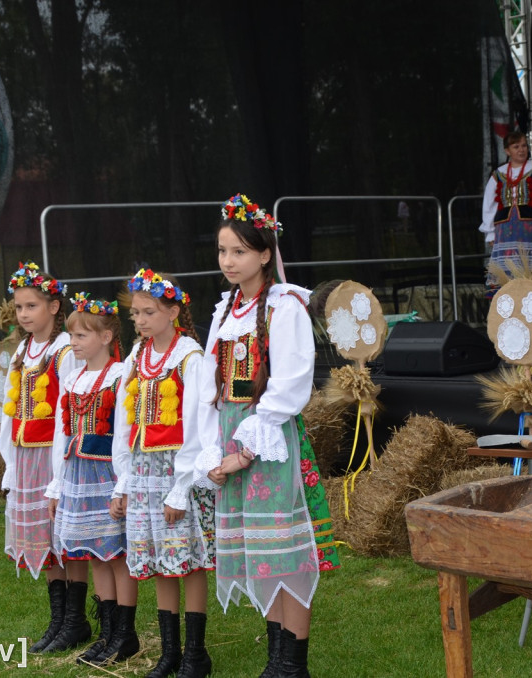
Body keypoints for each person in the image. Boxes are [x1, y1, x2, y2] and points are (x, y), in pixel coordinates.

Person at [195, 194, 340, 678]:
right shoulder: (224, 311)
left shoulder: (285, 306)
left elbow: (291, 385)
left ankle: (292, 665)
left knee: (284, 554)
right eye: (222, 251)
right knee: (260, 553)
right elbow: (209, 387)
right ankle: (277, 661)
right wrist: (214, 447)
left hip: (269, 439)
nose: (228, 261)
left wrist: (246, 446)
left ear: (263, 254)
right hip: (232, 431)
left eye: (238, 251)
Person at [112, 270, 214, 678]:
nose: (138, 320)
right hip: (142, 471)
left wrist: (181, 488)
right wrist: (123, 479)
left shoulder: (190, 357)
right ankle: (169, 652)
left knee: (185, 559)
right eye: (135, 313)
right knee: (158, 559)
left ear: (173, 311)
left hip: (176, 470)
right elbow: (124, 422)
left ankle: (196, 654)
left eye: (148, 312)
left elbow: (197, 424)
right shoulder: (136, 358)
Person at [0, 261, 89, 653]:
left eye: (31, 306)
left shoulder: (65, 349)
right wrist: (9, 462)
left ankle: (76, 619)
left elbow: (69, 412)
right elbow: (10, 404)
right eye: (19, 307)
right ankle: (58, 619)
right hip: (25, 457)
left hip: (54, 457)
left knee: (64, 535)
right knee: (42, 538)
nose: (23, 314)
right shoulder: (22, 349)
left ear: (54, 307)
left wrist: (60, 469)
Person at [46, 292, 137, 666]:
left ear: (106, 336)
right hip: (77, 476)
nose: (74, 344)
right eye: (71, 337)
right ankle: (107, 632)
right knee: (93, 552)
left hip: (108, 474)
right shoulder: (72, 380)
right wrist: (56, 484)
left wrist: (124, 484)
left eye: (81, 336)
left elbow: (125, 433)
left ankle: (125, 634)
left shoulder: (120, 375)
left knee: (116, 553)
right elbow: (61, 435)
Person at [479, 131, 532, 293]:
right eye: (516, 146)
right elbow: (489, 204)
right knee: (507, 268)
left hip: (531, 228)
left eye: (524, 146)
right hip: (505, 231)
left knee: (531, 264)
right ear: (507, 151)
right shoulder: (499, 174)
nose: (521, 150)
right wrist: (490, 233)